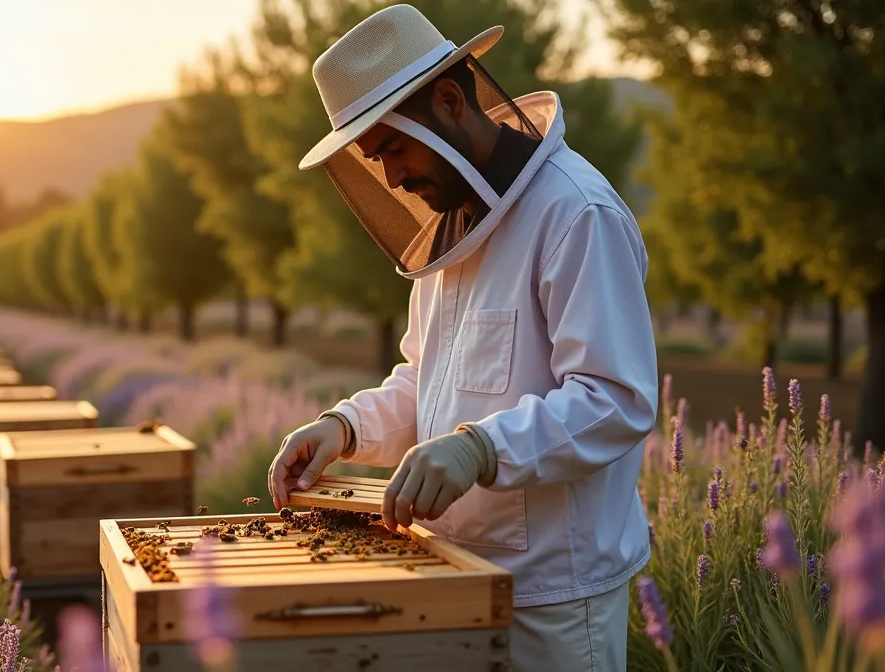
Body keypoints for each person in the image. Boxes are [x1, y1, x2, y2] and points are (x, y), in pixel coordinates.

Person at [266, 5, 658, 671]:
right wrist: (345, 428)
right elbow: (428, 379)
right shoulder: (455, 227)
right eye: (373, 158)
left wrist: (480, 448)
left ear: (449, 101)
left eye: (393, 147)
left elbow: (615, 399)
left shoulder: (575, 214)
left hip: (552, 604)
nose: (391, 178)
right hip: (448, 575)